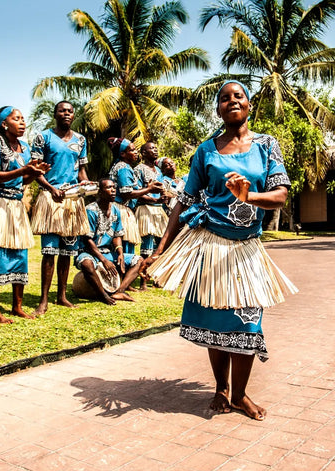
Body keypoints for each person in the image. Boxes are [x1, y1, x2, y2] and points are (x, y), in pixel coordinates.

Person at [145, 81, 297, 421]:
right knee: (216, 321)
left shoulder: (267, 146)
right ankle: (221, 389)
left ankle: (240, 394)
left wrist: (250, 197)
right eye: (224, 98)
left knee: (247, 323)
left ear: (249, 104)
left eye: (238, 96)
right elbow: (183, 200)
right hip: (211, 246)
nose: (232, 101)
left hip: (247, 250)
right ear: (218, 110)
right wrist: (160, 248)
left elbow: (281, 195)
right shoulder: (206, 151)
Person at [0, 107, 48, 322]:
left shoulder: (25, 148)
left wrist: (33, 174)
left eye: (22, 119)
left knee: (20, 256)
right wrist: (23, 171)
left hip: (16, 207)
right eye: (16, 119)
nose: (22, 122)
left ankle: (17, 306)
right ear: (3, 124)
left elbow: (23, 181)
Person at [30, 101, 89, 316]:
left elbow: (81, 170)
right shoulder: (43, 137)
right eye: (62, 110)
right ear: (55, 114)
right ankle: (43, 299)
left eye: (70, 111)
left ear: (74, 115)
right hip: (51, 198)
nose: (66, 113)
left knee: (67, 251)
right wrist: (50, 187)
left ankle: (61, 296)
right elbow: (35, 170)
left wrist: (86, 184)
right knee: (49, 252)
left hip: (73, 199)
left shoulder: (81, 140)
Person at [75, 178, 144, 304]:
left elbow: (117, 235)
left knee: (139, 261)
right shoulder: (91, 210)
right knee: (86, 264)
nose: (113, 190)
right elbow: (87, 239)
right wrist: (104, 260)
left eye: (114, 187)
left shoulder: (115, 210)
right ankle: (103, 296)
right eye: (108, 188)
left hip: (107, 252)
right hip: (89, 253)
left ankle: (120, 291)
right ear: (100, 192)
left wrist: (120, 253)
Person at [107, 137, 162, 290]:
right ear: (123, 154)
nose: (135, 152)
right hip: (120, 208)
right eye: (132, 150)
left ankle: (126, 280)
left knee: (128, 245)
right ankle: (121, 280)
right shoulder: (123, 167)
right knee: (123, 246)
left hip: (124, 209)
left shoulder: (124, 166)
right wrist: (149, 189)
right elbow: (127, 193)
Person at [134, 142, 169, 259]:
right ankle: (143, 269)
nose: (155, 150)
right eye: (152, 148)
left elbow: (162, 189)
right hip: (146, 209)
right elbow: (137, 192)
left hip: (159, 210)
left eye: (156, 148)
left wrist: (165, 196)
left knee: (162, 242)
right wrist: (155, 199)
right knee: (147, 243)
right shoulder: (139, 169)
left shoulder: (158, 171)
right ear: (144, 153)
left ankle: (157, 272)